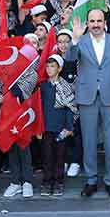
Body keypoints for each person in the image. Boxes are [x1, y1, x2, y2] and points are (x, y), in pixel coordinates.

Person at [65, 9, 110, 198]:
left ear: (104, 22)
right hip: (87, 97)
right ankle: (91, 180)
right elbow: (69, 60)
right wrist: (74, 40)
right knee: (89, 141)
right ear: (87, 23)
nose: (96, 24)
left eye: (99, 20)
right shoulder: (80, 41)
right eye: (92, 21)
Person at [39, 55, 76, 197]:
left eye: (53, 66)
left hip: (61, 128)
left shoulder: (66, 86)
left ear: (59, 68)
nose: (49, 69)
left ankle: (59, 181)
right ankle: (47, 182)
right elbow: (39, 108)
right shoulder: (43, 86)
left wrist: (68, 127)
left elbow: (70, 108)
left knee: (60, 156)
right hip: (47, 127)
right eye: (47, 66)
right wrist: (39, 127)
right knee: (47, 156)